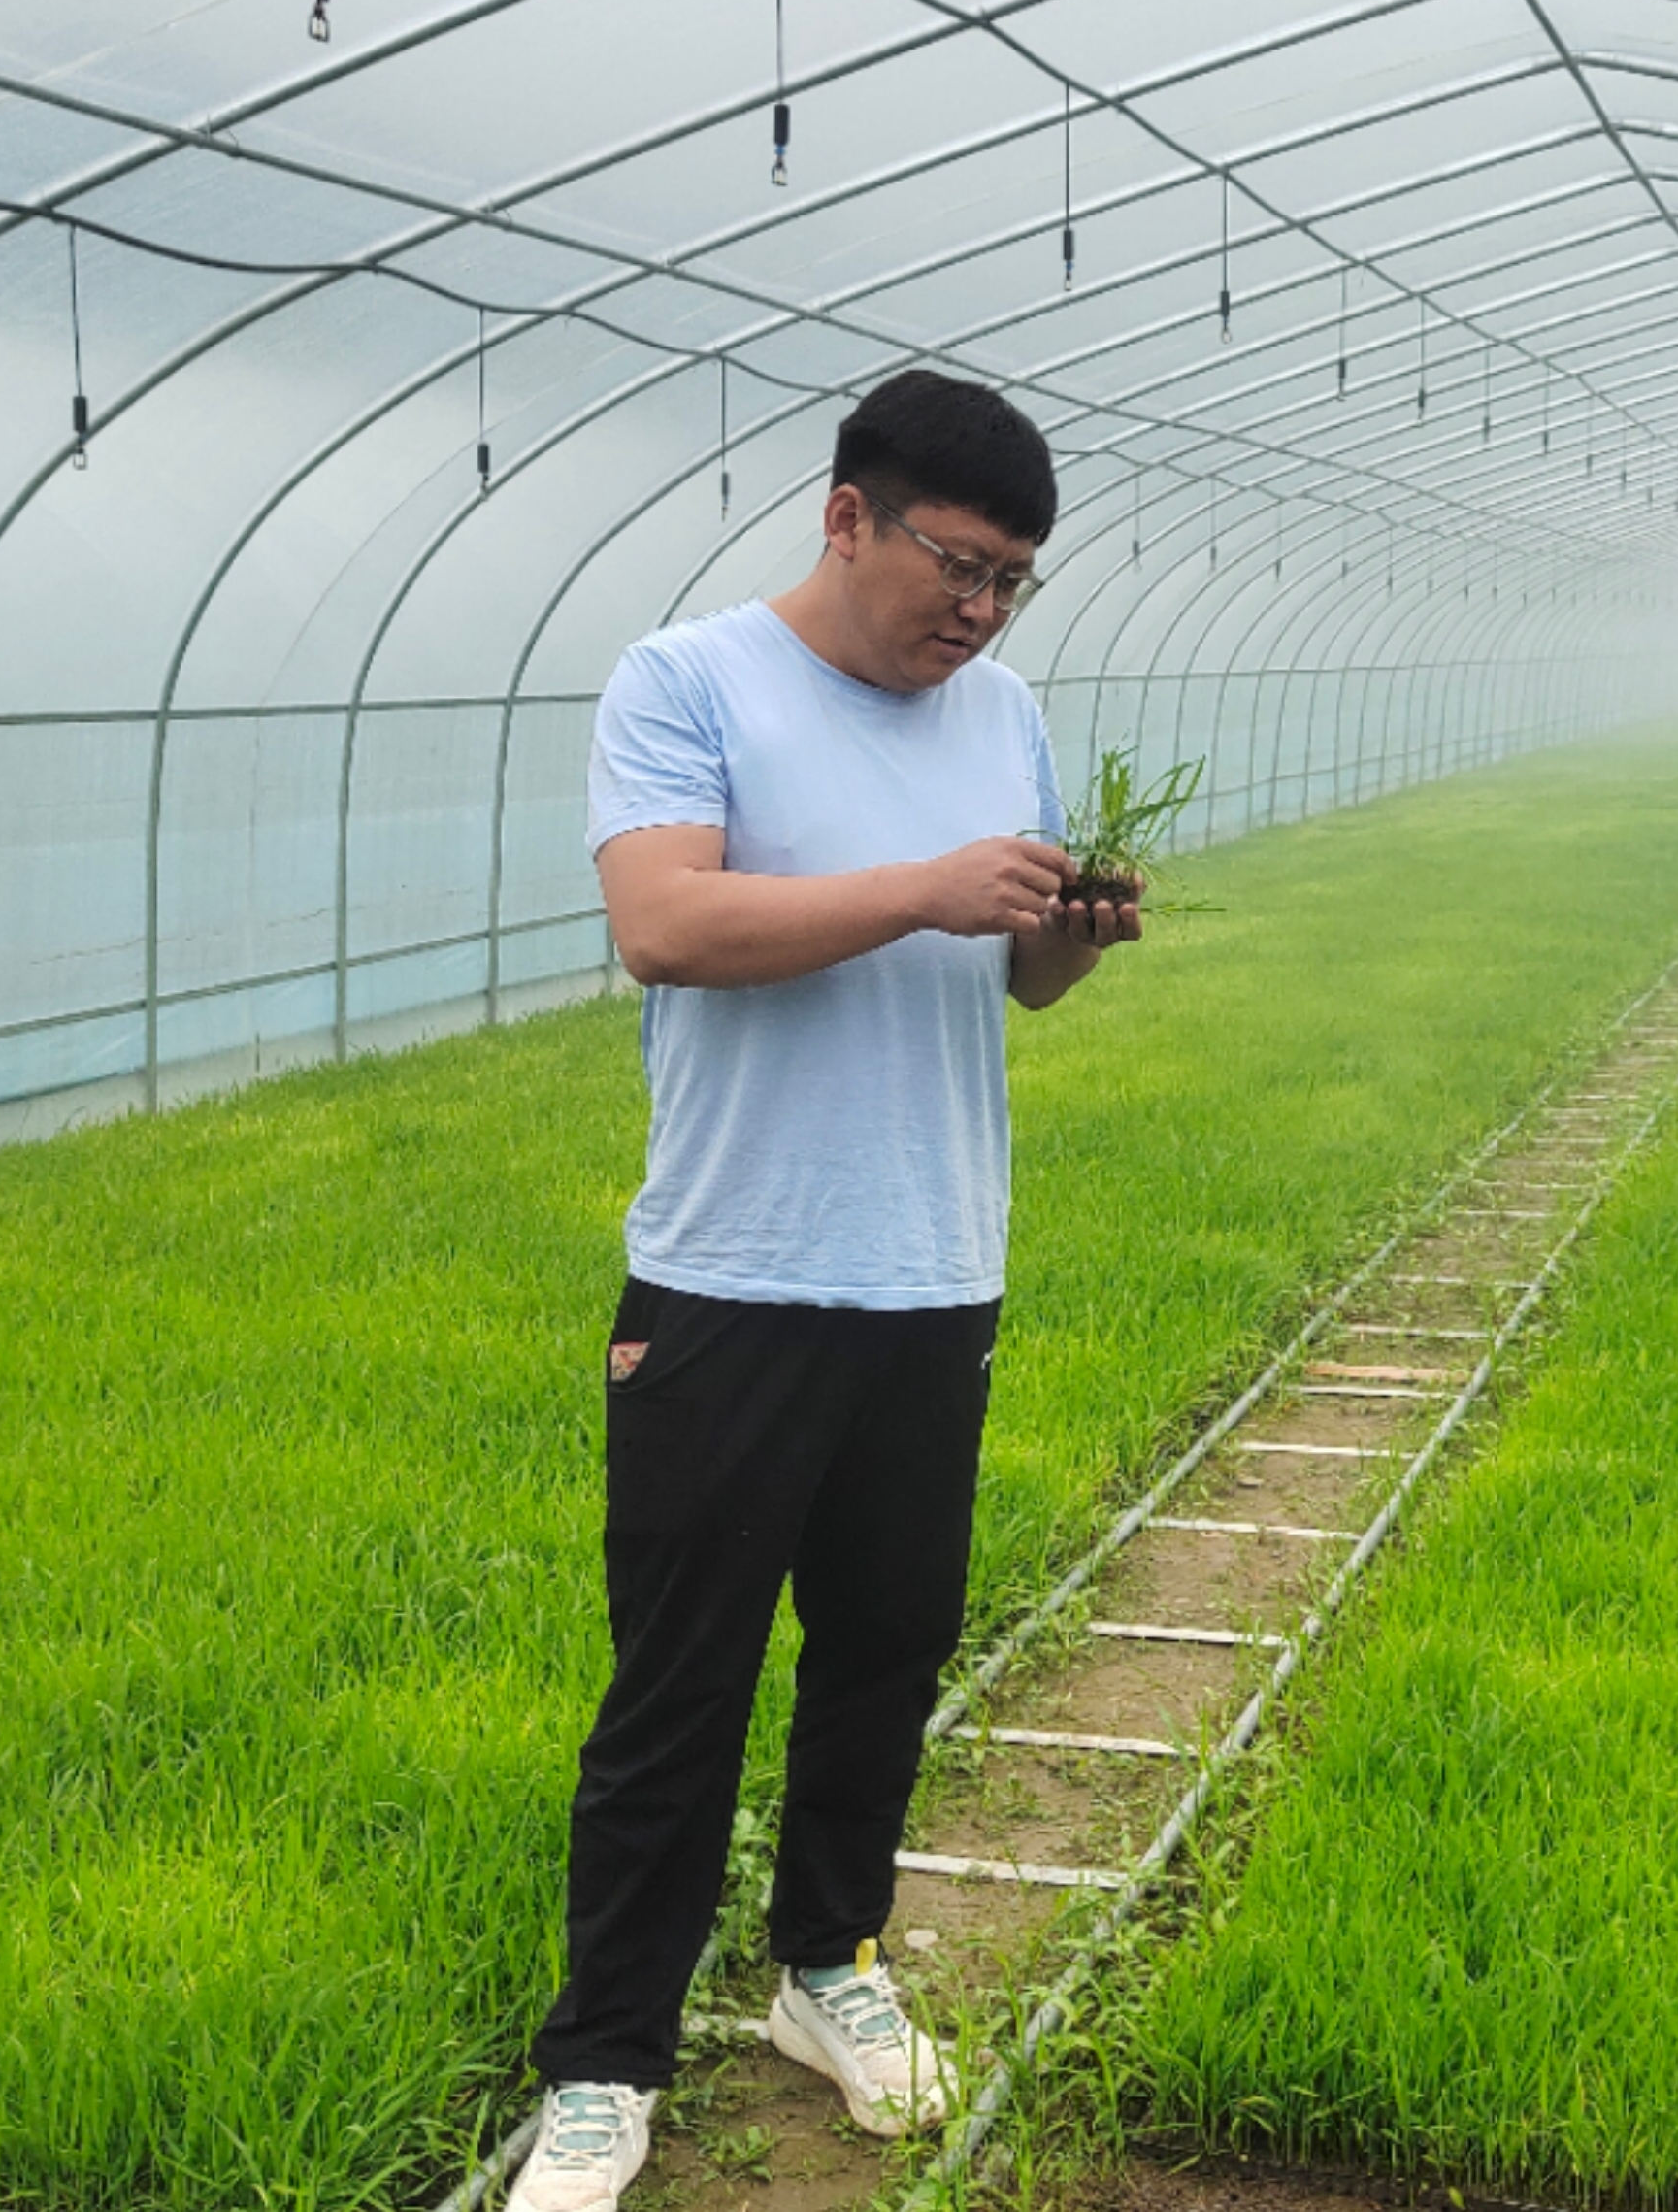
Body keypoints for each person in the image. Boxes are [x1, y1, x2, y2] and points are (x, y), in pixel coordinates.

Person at [508, 370, 1138, 2212]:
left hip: (932, 1267)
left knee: (882, 1657)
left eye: (1016, 582)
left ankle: (827, 1972)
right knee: (675, 1691)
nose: (983, 612)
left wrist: (1056, 942)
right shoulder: (685, 682)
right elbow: (667, 926)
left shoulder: (1001, 711)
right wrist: (924, 885)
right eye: (960, 565)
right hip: (729, 1275)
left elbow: (1008, 987)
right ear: (846, 516)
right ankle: (604, 2068)